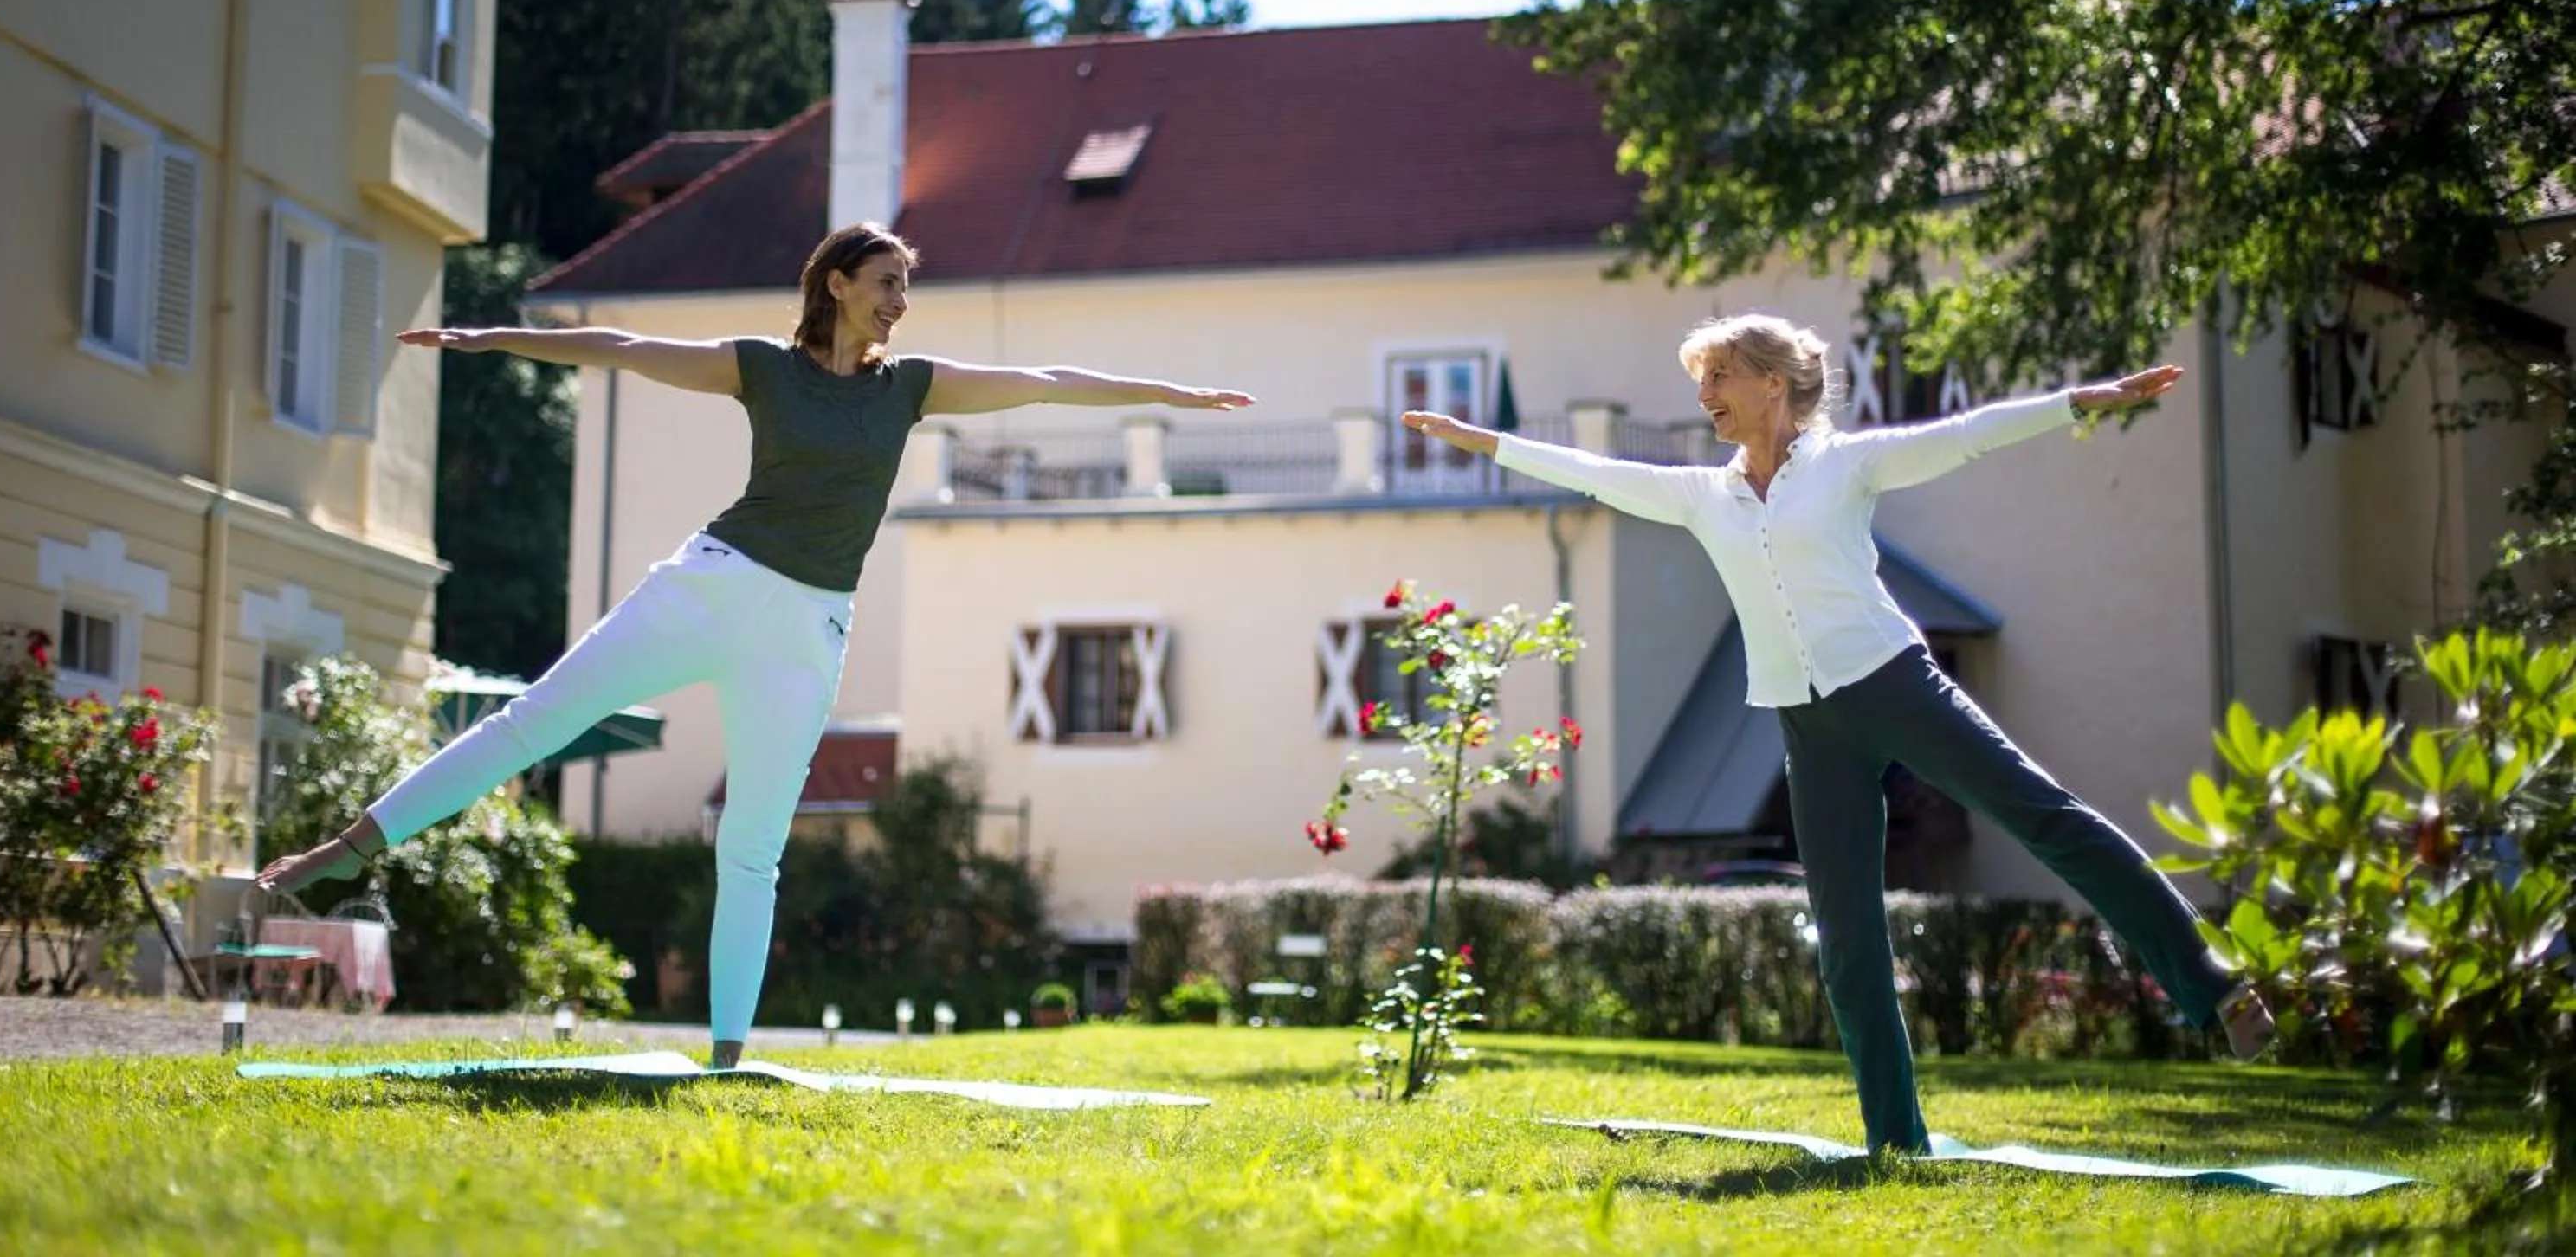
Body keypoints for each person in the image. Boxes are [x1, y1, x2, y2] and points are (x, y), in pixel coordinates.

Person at [259, 222, 1251, 1067]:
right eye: (886, 282)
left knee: (754, 849)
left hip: (807, 628)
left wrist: (1171, 395)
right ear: (836, 284)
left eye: (907, 285)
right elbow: (621, 345)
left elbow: (1043, 381)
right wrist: (490, 337)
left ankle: (727, 1057)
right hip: (711, 585)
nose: (901, 301)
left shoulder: (908, 387)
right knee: (535, 722)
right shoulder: (762, 368)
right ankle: (345, 852)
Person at [1400, 313, 2274, 1154]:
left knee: (2048, 817)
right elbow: (1594, 471)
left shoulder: (1847, 465)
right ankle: (1896, 1139)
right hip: (1807, 722)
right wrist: (1483, 442)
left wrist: (2080, 400)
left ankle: (2214, 989)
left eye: (1720, 376)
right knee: (1848, 935)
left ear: (1774, 383)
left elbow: (1967, 433)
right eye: (1701, 378)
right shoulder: (1705, 496)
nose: (1706, 393)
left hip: (1896, 684)